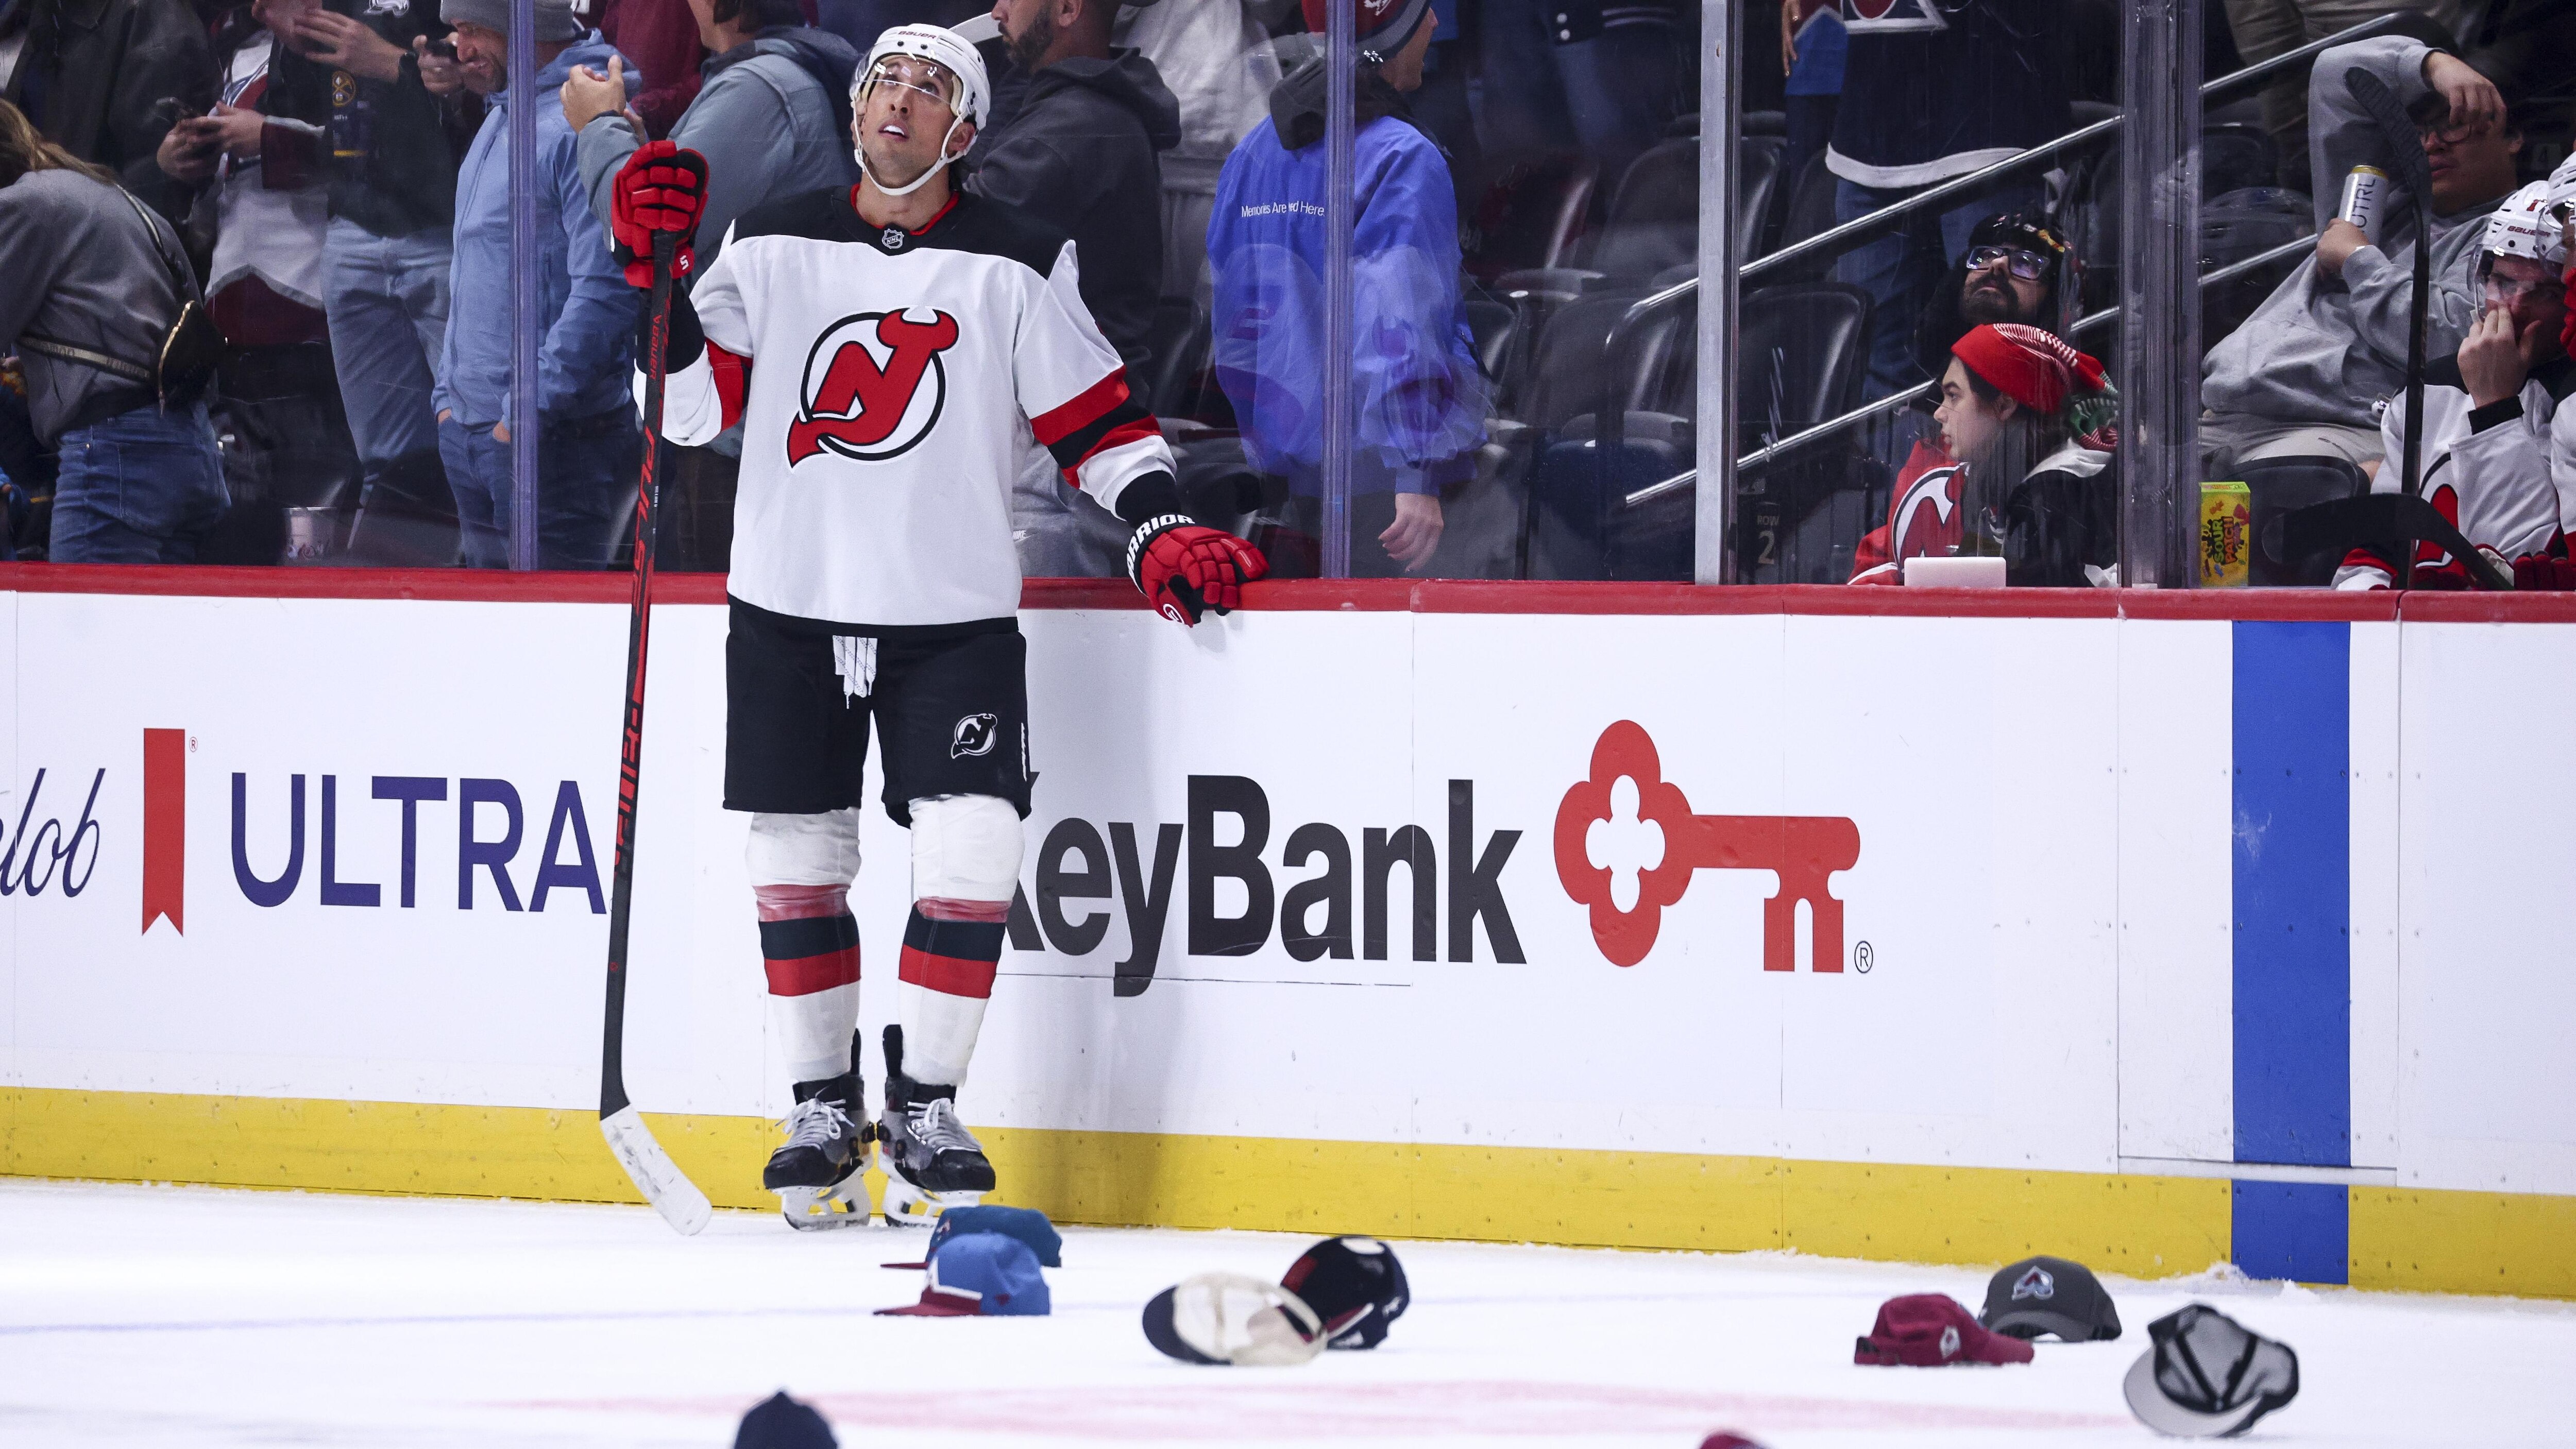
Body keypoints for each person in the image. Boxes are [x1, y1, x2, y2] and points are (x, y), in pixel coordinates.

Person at [609, 22, 1264, 1228]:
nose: (900, 104)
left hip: (950, 614)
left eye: (930, 90)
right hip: (788, 606)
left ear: (966, 131)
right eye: (883, 85)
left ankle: (923, 1100)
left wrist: (1159, 518)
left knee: (972, 855)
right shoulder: (770, 239)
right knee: (796, 861)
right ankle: (818, 1103)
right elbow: (687, 411)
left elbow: (1099, 420)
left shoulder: (1014, 257)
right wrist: (658, 290)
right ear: (855, 110)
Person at [565, 0, 859, 570]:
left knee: (716, 636)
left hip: (741, 434)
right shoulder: (787, 71)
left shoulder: (761, 89)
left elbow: (648, 230)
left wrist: (598, 127)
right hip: (771, 418)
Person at [1207, 0, 1486, 577]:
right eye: (1422, 11)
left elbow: (1235, 323)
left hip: (1282, 489)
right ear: (1388, 30)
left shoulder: (1252, 155)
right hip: (1383, 500)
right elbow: (1399, 318)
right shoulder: (1403, 157)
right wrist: (1416, 470)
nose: (1434, 23)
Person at [2201, 37, 2520, 476]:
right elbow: (2337, 73)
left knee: (2264, 504)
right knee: (2106, 479)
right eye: (2421, 132)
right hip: (2231, 404)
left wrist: (2358, 258)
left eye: (2456, 123)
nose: (2433, 144)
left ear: (2514, 137)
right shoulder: (2377, 201)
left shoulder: (2518, 232)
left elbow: (2452, 340)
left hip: (2330, 422)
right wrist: (2432, 64)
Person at [264, 0, 481, 559]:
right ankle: (397, 596)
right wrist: (293, 43)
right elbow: (304, 104)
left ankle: (489, 585)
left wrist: (393, 64)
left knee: (478, 436)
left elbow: (494, 82)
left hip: (447, 226)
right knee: (385, 456)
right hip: (354, 221)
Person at [972, 0, 1181, 578]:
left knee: (1038, 661)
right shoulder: (1054, 110)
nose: (996, 9)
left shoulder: (1078, 126)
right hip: (1043, 451)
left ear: (1066, 8)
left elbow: (948, 237)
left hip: (1055, 467)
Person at [156, 0, 365, 564]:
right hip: (231, 323)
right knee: (241, 533)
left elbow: (376, 160)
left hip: (315, 319)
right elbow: (218, 187)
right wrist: (180, 162)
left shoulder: (355, 45)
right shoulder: (229, 50)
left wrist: (271, 138)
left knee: (315, 534)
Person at [435, 0, 641, 568]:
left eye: (474, 30)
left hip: (547, 447)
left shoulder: (581, 128)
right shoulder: (503, 115)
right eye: (456, 33)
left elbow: (607, 289)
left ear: (528, 30)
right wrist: (446, 402)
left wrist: (524, 415)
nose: (461, 50)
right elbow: (473, 266)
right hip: (478, 434)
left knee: (557, 645)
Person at [0, 99, 229, 561]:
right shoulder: (111, 197)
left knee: (88, 627)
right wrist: (45, 367)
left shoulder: (24, 205)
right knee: (155, 633)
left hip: (118, 457)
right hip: (191, 451)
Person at [2334, 178, 2572, 587]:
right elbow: (2372, 558)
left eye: (2545, 293)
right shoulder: (2428, 393)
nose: (2513, 307)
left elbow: (2517, 569)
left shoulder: (2570, 399)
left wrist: (2496, 408)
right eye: (2504, 282)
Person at [1825, 0, 2066, 402]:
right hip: (1870, 128)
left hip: (1989, 117)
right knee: (1881, 373)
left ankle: (2010, 470)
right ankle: (1910, 470)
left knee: (1999, 356)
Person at [1845, 209, 2071, 582]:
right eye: (1984, 255)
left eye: (2025, 263)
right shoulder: (1935, 437)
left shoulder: (2072, 449)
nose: (1996, 264)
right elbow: (1884, 558)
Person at [1848, 322, 2120, 586]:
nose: (1939, 413)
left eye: (1953, 396)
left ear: (2004, 405)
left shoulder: (2056, 493)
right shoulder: (2001, 480)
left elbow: (2035, 616)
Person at [0, 0, 215, 220]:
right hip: (48, 225)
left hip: (98, 235)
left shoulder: (149, 14)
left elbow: (156, 178)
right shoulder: (50, 12)